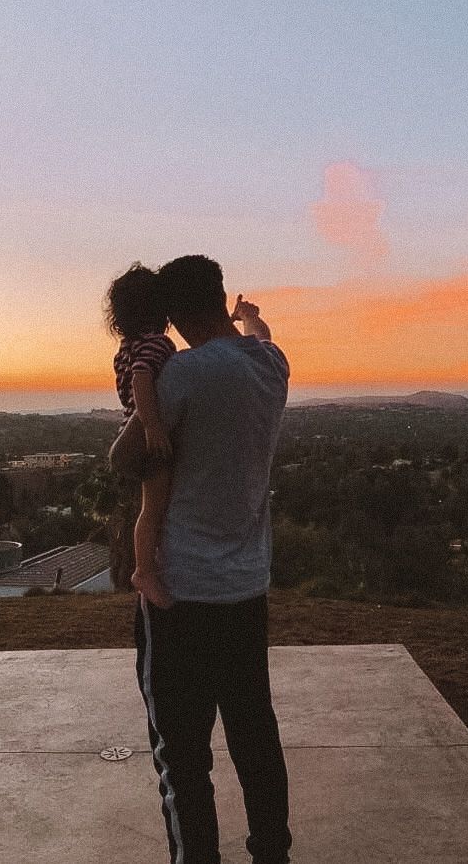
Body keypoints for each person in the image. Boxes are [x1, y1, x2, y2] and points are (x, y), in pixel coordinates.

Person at [134, 254, 293, 864]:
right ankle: (271, 853)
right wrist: (251, 321)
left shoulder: (183, 376)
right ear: (221, 295)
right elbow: (261, 337)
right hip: (246, 586)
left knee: (182, 752)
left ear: (174, 315)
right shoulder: (271, 365)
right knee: (255, 734)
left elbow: (130, 457)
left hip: (177, 589)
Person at [105, 262, 175, 610]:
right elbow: (141, 379)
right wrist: (152, 426)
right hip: (144, 439)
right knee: (153, 509)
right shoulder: (157, 344)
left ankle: (146, 568)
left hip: (132, 433)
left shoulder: (127, 346)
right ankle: (144, 572)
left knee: (151, 508)